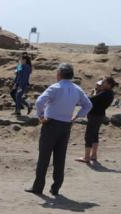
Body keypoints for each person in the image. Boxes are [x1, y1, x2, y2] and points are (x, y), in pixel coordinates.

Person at [25, 63, 92, 196]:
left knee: (44, 157)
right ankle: (55, 188)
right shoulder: (77, 89)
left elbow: (39, 102)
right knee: (60, 158)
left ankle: (38, 187)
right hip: (66, 125)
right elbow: (88, 105)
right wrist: (77, 116)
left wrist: (41, 116)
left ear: (59, 74)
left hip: (51, 124)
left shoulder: (55, 87)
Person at [77, 76, 117, 164]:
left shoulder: (105, 93)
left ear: (109, 85)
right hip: (99, 115)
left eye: (104, 82)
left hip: (95, 116)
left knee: (88, 136)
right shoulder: (108, 93)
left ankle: (87, 157)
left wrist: (93, 93)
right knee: (94, 135)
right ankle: (93, 155)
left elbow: (90, 100)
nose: (102, 83)